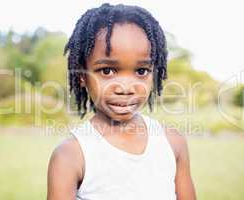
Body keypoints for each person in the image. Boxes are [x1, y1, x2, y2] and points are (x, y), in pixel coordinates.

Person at [47, 3, 196, 200]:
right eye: (107, 70)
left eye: (141, 71)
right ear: (82, 75)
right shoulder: (70, 156)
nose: (126, 88)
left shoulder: (173, 143)